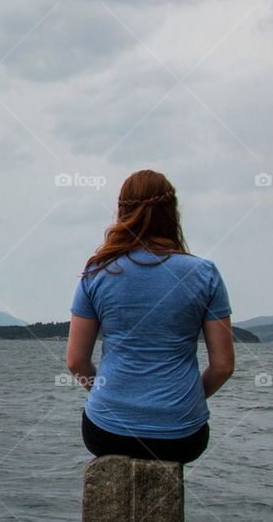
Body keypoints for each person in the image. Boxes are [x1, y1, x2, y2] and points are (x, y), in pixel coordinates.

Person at [65, 169, 235, 464]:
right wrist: (184, 402)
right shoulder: (205, 274)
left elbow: (76, 362)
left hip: (107, 431)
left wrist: (108, 394)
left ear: (121, 211)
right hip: (182, 438)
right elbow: (223, 366)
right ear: (172, 213)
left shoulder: (96, 274)